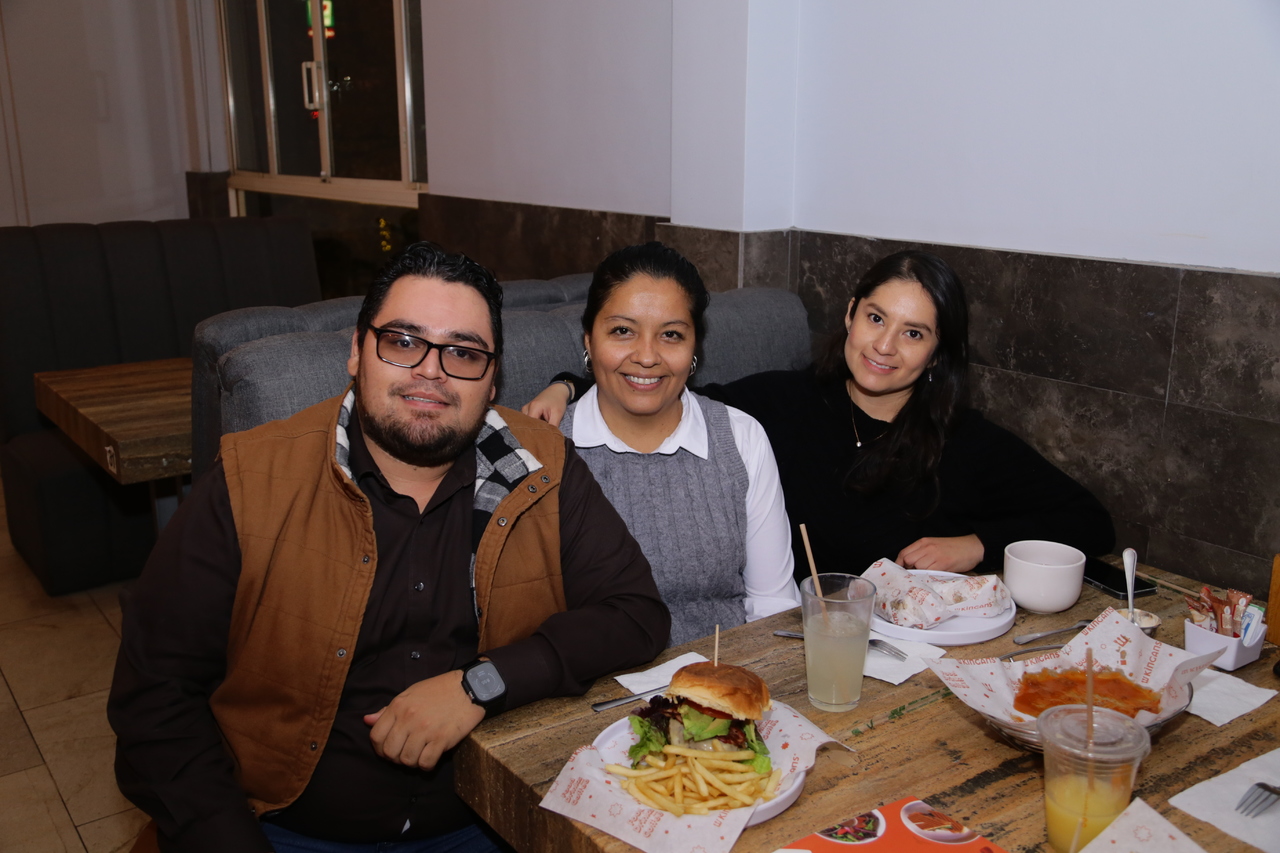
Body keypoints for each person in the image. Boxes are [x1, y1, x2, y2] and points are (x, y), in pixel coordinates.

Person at [108, 243, 670, 853]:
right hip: (285, 830)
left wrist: (482, 684)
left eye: (463, 352)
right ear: (357, 351)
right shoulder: (250, 480)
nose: (431, 370)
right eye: (403, 342)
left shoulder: (545, 465)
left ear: (493, 378)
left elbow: (635, 613)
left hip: (487, 820)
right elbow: (154, 698)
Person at [524, 249, 1115, 580]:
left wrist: (979, 544)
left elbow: (1088, 520)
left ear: (937, 353)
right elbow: (661, 386)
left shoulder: (963, 440)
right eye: (876, 319)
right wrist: (569, 386)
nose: (884, 346)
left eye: (913, 333)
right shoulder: (781, 403)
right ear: (851, 314)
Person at [524, 242, 798, 646]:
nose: (648, 356)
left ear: (694, 348)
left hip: (723, 672)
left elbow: (772, 605)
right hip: (589, 679)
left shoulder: (741, 439)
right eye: (623, 331)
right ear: (589, 340)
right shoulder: (541, 448)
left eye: (671, 334)